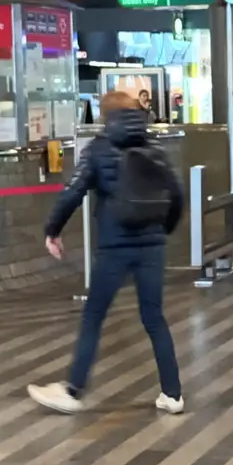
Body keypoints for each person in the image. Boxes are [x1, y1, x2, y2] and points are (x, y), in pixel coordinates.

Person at [29, 90, 184, 415]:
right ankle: (172, 394)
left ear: (104, 115)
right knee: (154, 317)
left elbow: (74, 191)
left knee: (94, 316)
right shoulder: (154, 146)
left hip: (115, 247)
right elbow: (177, 194)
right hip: (152, 247)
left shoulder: (99, 148)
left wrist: (52, 230)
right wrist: (161, 232)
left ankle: (73, 390)